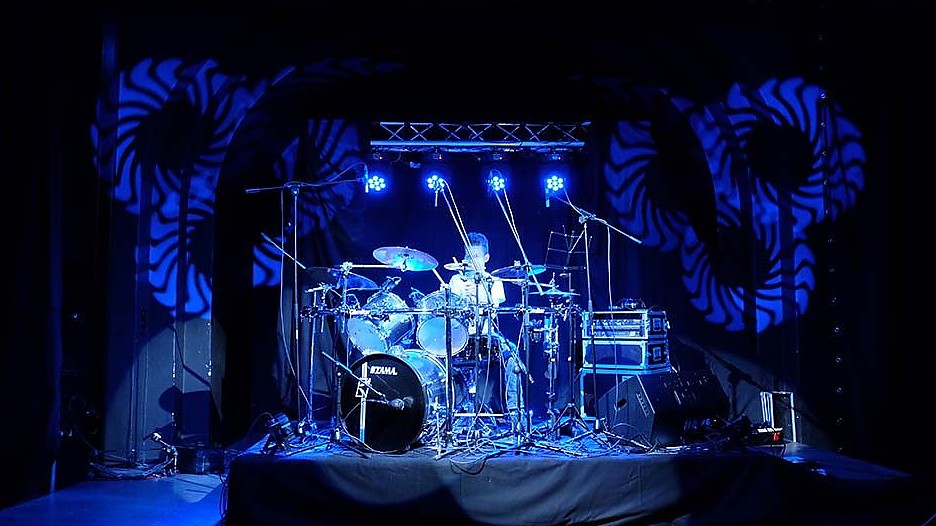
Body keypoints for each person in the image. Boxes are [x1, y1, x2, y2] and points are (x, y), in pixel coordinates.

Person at [447, 232, 527, 434]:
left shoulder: (494, 281)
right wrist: (462, 296)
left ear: (486, 258)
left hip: (486, 337)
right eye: (468, 256)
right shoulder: (456, 280)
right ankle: (449, 413)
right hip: (461, 339)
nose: (471, 261)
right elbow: (452, 311)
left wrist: (478, 294)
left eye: (476, 256)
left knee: (513, 357)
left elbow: (494, 308)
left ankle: (516, 415)